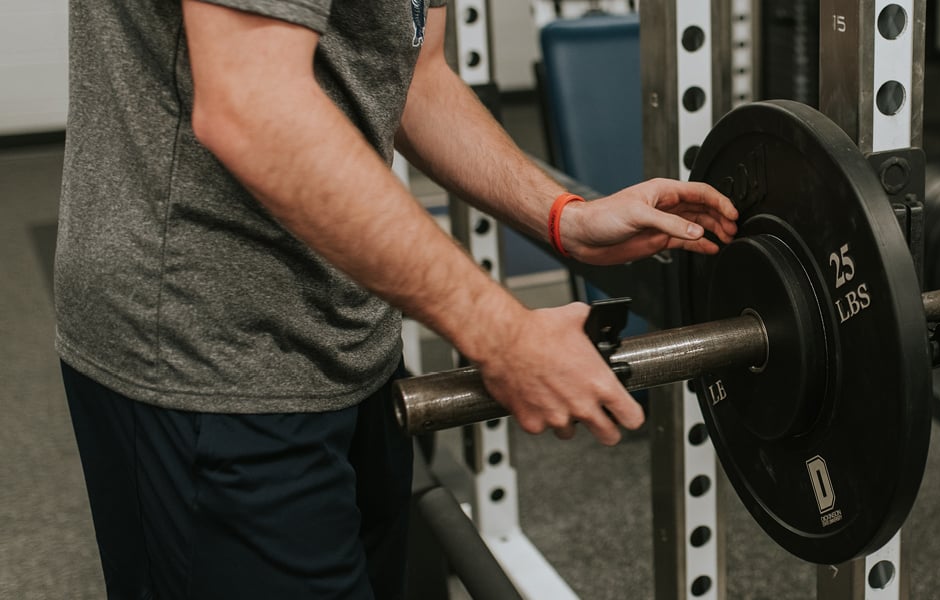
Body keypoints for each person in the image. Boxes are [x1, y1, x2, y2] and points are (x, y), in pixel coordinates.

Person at [56, 0, 738, 596]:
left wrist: (563, 217)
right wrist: (502, 333)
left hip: (347, 326)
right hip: (202, 351)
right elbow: (250, 106)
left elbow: (414, 72)